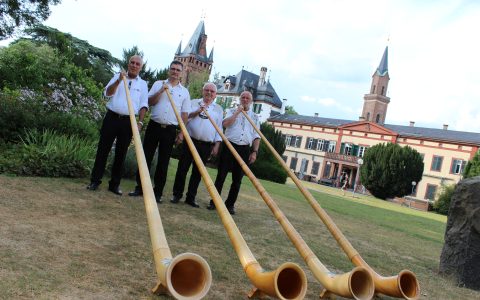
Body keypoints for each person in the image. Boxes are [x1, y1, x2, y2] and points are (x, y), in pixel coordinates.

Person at [128, 60, 190, 203]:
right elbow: (149, 102)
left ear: (181, 73)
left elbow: (185, 114)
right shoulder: (158, 84)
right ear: (169, 70)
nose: (175, 72)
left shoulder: (184, 92)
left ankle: (158, 193)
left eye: (178, 70)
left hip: (170, 129)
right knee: (146, 158)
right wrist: (161, 91)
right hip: (154, 126)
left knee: (163, 161)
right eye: (173, 69)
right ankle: (140, 188)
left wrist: (182, 133)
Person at [87, 55, 148, 195]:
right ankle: (95, 181)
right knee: (103, 150)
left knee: (121, 153)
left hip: (128, 122)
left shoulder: (143, 84)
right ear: (128, 63)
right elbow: (107, 93)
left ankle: (114, 185)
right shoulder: (117, 76)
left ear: (141, 67)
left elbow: (143, 105)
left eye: (137, 64)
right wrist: (119, 81)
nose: (134, 65)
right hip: (112, 118)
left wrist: (140, 122)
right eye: (132, 62)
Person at [206, 91, 260, 215]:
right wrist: (237, 112)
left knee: (237, 179)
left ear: (251, 101)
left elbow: (256, 136)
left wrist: (254, 152)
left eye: (248, 98)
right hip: (229, 146)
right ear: (240, 99)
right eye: (243, 97)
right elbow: (225, 124)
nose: (245, 100)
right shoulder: (231, 111)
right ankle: (214, 202)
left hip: (244, 149)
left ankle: (230, 205)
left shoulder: (255, 117)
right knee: (221, 175)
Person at [170, 83, 223, 208]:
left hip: (205, 145)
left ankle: (191, 197)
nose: (209, 93)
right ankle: (177, 194)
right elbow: (185, 118)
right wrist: (197, 111)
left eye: (212, 91)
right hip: (190, 140)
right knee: (182, 168)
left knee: (198, 172)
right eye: (207, 90)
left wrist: (217, 145)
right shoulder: (194, 102)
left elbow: (219, 129)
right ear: (202, 91)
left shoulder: (218, 109)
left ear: (215, 95)